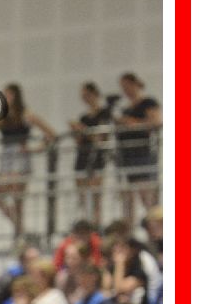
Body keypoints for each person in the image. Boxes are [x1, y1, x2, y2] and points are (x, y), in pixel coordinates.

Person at [0, 83, 57, 237]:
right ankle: (20, 228)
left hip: (20, 158)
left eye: (9, 95)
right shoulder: (1, 118)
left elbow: (51, 134)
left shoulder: (26, 115)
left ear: (16, 96)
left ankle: (19, 233)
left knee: (18, 199)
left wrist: (34, 148)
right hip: (6, 160)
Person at [114, 72, 162, 225]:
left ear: (135, 84)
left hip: (143, 153)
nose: (125, 90)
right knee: (128, 199)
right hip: (127, 155)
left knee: (147, 197)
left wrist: (132, 123)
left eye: (127, 86)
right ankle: (130, 230)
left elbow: (156, 122)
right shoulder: (125, 108)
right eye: (123, 87)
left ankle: (156, 230)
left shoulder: (148, 102)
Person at [68, 83, 111, 228]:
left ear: (94, 94)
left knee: (95, 195)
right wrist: (76, 131)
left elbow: (101, 138)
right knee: (82, 196)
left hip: (97, 157)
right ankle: (85, 224)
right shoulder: (84, 117)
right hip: (82, 156)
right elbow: (79, 141)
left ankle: (96, 225)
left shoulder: (104, 114)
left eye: (87, 95)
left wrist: (84, 130)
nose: (85, 99)